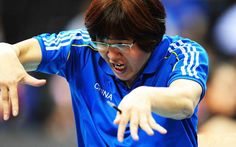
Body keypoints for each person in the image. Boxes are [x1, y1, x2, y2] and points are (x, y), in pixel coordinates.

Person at [0, 0, 208, 146]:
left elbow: (186, 100)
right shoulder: (81, 47)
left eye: (121, 44)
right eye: (102, 42)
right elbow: (14, 52)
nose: (110, 55)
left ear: (149, 38)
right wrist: (5, 53)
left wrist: (146, 96)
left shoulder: (182, 53)